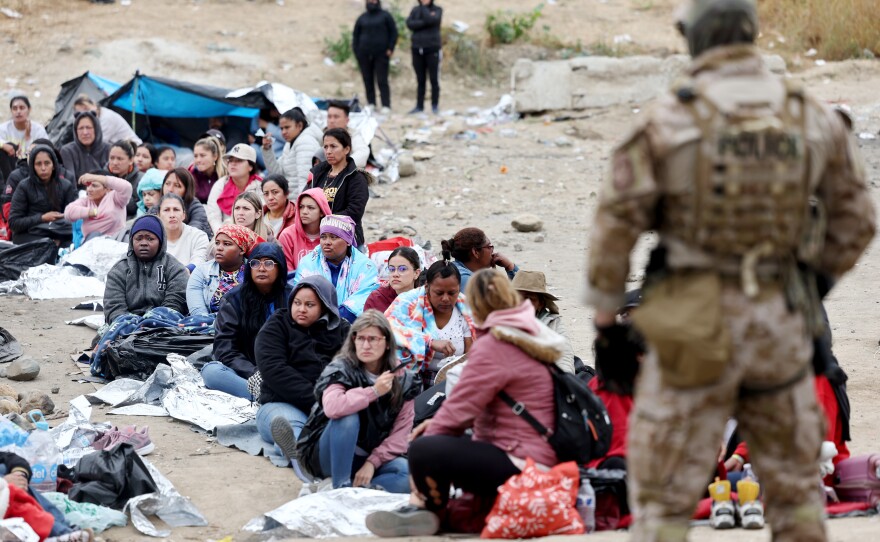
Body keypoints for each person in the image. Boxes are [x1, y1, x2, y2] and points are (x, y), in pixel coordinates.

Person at [585, 1, 876, 540]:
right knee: (794, 498)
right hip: (779, 330)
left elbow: (613, 231)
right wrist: (811, 285)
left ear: (694, 38)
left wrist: (608, 328)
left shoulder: (667, 117)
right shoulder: (806, 112)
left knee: (663, 501)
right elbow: (857, 220)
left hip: (686, 332)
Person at [366, 269, 563, 537]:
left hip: (521, 459)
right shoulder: (532, 336)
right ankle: (430, 510)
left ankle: (424, 508)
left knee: (425, 447)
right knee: (443, 442)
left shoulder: (494, 344)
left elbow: (459, 410)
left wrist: (428, 438)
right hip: (541, 453)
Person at [295, 310, 419, 492]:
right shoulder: (341, 368)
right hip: (330, 453)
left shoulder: (404, 380)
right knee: (347, 416)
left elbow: (401, 435)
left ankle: (348, 492)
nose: (366, 345)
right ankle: (339, 485)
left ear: (386, 343)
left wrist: (372, 462)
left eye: (373, 339)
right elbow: (333, 408)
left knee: (406, 475)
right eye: (360, 338)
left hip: (369, 458)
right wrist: (374, 391)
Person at [255, 275, 351, 470]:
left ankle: (330, 460)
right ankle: (303, 463)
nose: (301, 309)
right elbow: (274, 370)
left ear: (324, 306)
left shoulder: (342, 330)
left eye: (309, 305)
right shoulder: (278, 325)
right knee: (289, 428)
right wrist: (319, 399)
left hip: (329, 405)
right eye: (297, 303)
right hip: (282, 403)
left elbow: (351, 368)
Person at [202, 242, 291, 399]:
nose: (261, 269)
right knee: (211, 372)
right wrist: (255, 373)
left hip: (286, 372)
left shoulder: (293, 298)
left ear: (280, 268)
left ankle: (272, 395)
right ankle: (264, 396)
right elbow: (225, 349)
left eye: (269, 263)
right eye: (255, 263)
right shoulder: (233, 299)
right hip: (247, 372)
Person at [386, 260, 473, 380]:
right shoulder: (407, 303)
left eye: (452, 293)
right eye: (439, 293)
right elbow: (385, 329)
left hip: (454, 379)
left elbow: (470, 354)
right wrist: (429, 341)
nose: (446, 299)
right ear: (427, 287)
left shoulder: (465, 308)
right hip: (410, 380)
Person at [103, 215, 188, 324]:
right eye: (138, 238)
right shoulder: (118, 270)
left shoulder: (175, 268)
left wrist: (152, 323)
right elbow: (114, 306)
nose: (143, 243)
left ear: (160, 242)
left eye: (150, 238)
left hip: (164, 324)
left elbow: (175, 303)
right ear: (131, 241)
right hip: (126, 325)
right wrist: (130, 324)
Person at [293, 215, 379, 323]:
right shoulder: (308, 263)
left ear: (348, 241)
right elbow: (300, 298)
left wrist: (332, 321)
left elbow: (362, 301)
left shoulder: (366, 267)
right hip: (312, 324)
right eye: (323, 237)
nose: (327, 242)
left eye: (334, 237)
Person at [304, 128, 370, 247]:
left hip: (346, 239)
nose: (328, 151)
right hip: (318, 238)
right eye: (325, 147)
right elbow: (304, 200)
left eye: (333, 146)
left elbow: (354, 212)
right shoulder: (317, 174)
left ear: (346, 149)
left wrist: (323, 220)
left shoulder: (356, 178)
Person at [8, 144, 77, 245]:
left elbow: (74, 218)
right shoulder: (24, 186)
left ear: (53, 165)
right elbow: (14, 223)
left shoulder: (66, 185)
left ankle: (52, 243)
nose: (43, 168)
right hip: (31, 234)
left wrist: (62, 217)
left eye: (47, 163)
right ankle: (51, 243)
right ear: (32, 166)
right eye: (38, 164)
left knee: (74, 232)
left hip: (58, 230)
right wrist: (42, 218)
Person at [511, 270, 575, 373]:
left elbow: (564, 358)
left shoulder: (554, 324)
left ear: (540, 304)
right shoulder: (498, 322)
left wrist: (562, 384)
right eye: (518, 297)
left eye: (529, 298)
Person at [187, 224, 257, 317]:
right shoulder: (201, 271)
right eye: (217, 243)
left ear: (242, 249)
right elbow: (198, 312)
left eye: (227, 244)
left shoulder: (254, 271)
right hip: (206, 325)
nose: (219, 248)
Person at [261, 107, 321, 195]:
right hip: (293, 200)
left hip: (301, 202)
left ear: (299, 126)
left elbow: (306, 180)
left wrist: (302, 205)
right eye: (281, 128)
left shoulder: (305, 142)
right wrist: (267, 150)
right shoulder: (290, 144)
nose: (283, 132)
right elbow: (277, 174)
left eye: (287, 127)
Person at [353, 0, 399, 113]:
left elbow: (394, 32)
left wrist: (390, 48)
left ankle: (386, 105)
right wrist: (357, 52)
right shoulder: (362, 18)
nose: (371, 2)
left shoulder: (385, 16)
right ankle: (371, 103)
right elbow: (355, 36)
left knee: (382, 79)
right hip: (364, 54)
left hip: (381, 54)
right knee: (367, 79)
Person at [206, 143, 262, 234]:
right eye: (230, 160)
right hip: (225, 234)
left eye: (239, 160)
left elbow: (262, 217)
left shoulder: (261, 185)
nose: (233, 164)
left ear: (251, 166)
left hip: (254, 234)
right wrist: (224, 234)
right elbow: (213, 216)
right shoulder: (220, 184)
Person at [441, 227, 518, 291]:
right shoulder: (466, 279)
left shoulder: (457, 269)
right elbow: (510, 301)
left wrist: (509, 267)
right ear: (475, 252)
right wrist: (510, 266)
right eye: (489, 246)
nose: (492, 250)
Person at [63, 170, 132, 241]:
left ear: (107, 188)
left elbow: (127, 187)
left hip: (116, 241)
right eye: (88, 185)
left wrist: (95, 177)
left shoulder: (115, 198)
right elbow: (68, 212)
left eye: (94, 186)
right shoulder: (86, 201)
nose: (89, 189)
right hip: (92, 244)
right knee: (95, 235)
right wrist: (93, 212)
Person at [278, 188, 332, 274]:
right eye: (301, 207)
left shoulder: (333, 237)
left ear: (321, 212)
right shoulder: (287, 235)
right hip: (295, 285)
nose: (304, 212)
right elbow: (288, 273)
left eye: (310, 208)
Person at [405, 0, 443, 115]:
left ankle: (434, 105)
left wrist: (424, 11)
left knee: (434, 79)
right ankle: (419, 106)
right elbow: (410, 24)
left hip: (432, 49)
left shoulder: (437, 10)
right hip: (417, 49)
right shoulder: (415, 9)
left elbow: (433, 20)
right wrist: (425, 21)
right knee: (420, 80)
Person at [158, 194, 210, 270]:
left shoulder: (198, 236)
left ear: (184, 215)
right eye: (166, 210)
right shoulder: (153, 238)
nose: (172, 215)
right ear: (158, 215)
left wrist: (182, 273)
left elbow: (200, 261)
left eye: (176, 209)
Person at [157, 167, 212, 239]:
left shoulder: (196, 207)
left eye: (177, 185)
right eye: (167, 184)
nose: (170, 189)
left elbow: (194, 232)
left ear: (187, 190)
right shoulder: (157, 207)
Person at [364, 246, 422, 313]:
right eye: (392, 269)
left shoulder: (424, 300)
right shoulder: (376, 299)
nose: (395, 274)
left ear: (416, 273)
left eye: (402, 269)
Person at [60, 111, 111, 180]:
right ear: (76, 131)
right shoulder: (67, 151)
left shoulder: (109, 149)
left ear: (96, 129)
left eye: (89, 127)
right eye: (81, 128)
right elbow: (70, 181)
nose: (85, 132)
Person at [73, 94, 142, 145]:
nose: (85, 114)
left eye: (86, 109)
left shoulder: (107, 118)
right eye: (80, 113)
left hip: (134, 149)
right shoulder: (91, 120)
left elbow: (98, 143)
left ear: (94, 105)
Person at [324, 102, 369, 168]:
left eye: (336, 117)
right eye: (329, 117)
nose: (332, 120)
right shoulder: (321, 133)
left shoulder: (353, 135)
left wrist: (342, 164)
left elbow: (362, 153)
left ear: (347, 120)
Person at [106, 140, 143, 218]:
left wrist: (115, 190)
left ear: (131, 160)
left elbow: (134, 208)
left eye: (120, 159)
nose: (115, 162)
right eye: (112, 158)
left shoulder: (141, 179)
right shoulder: (102, 176)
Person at [189, 136, 226, 204]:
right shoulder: (191, 175)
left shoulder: (226, 175)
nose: (198, 160)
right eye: (195, 156)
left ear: (215, 156)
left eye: (202, 155)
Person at [261, 175, 297, 240]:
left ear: (286, 193)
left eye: (275, 192)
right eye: (266, 194)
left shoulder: (297, 216)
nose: (270, 198)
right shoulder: (258, 216)